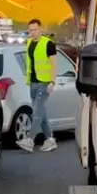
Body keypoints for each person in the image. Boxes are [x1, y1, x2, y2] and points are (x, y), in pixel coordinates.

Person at [18, 19, 57, 152]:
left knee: (37, 112)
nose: (32, 32)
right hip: (33, 82)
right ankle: (50, 139)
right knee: (41, 112)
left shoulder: (48, 44)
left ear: (40, 29)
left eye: (35, 29)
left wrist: (52, 81)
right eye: (30, 30)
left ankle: (30, 140)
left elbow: (54, 64)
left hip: (44, 83)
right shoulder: (29, 43)